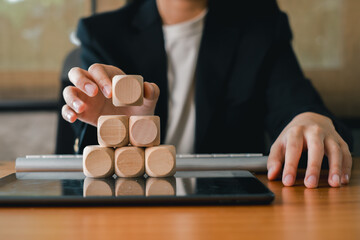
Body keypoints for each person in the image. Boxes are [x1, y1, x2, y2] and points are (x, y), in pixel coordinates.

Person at [61, 0, 353, 188]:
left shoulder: (260, 23)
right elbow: (81, 157)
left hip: (230, 208)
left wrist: (309, 120)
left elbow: (295, 103)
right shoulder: (102, 32)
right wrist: (116, 135)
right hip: (134, 209)